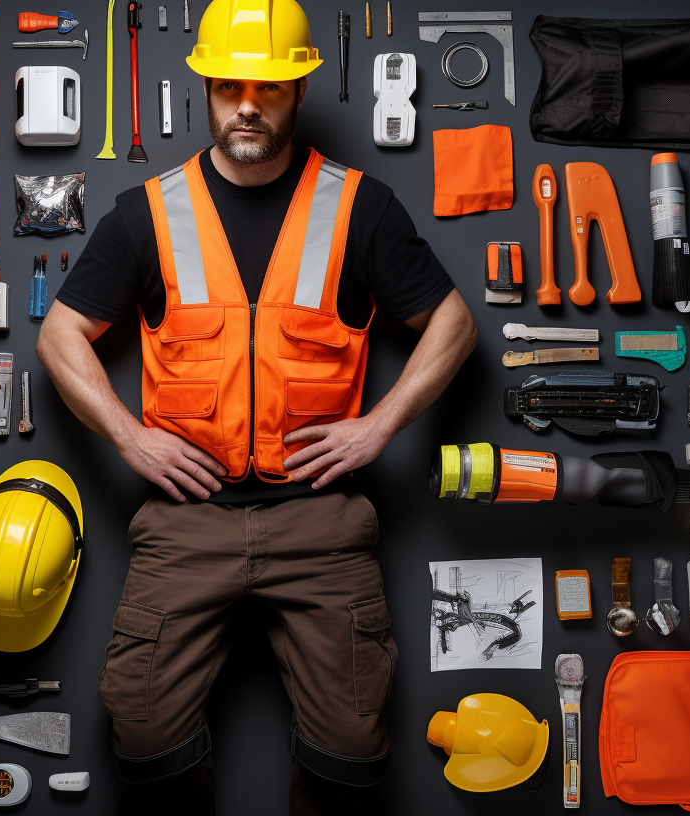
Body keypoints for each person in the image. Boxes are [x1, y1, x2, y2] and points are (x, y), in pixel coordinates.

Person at [37, 1, 476, 812]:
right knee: (140, 732)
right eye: (232, 84)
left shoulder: (360, 207)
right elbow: (61, 335)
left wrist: (379, 425)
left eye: (269, 87)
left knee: (354, 752)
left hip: (321, 519)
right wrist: (130, 439)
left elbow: (452, 322)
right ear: (205, 86)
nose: (248, 103)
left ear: (298, 91)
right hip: (186, 518)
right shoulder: (148, 213)